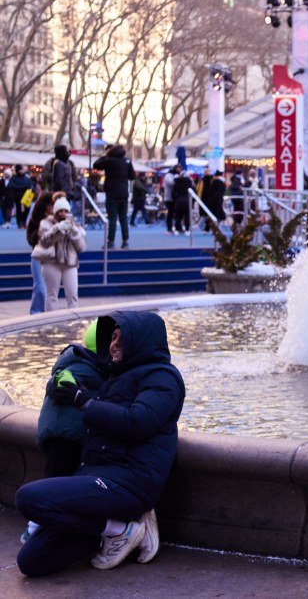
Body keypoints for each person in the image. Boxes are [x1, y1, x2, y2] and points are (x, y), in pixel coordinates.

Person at [15, 311, 186, 576]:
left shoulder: (163, 377)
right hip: (97, 476)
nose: (113, 344)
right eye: (112, 338)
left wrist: (83, 400)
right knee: (31, 561)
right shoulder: (114, 377)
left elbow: (137, 422)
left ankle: (124, 530)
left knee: (28, 498)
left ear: (140, 340)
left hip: (128, 483)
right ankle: (109, 531)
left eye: (120, 338)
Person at [22, 320, 104, 543]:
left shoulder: (80, 360)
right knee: (55, 481)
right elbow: (63, 380)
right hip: (66, 436)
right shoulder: (84, 367)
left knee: (58, 478)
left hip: (63, 432)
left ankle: (40, 523)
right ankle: (35, 525)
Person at [36, 194, 87, 311]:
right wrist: (58, 229)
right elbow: (44, 242)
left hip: (70, 263)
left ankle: (74, 323)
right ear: (55, 211)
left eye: (66, 211)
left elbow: (81, 248)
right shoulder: (46, 223)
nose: (63, 213)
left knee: (73, 296)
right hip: (51, 262)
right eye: (60, 211)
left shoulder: (73, 223)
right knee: (51, 296)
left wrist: (75, 233)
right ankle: (50, 325)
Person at [93, 143, 136, 249]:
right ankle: (125, 241)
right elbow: (132, 176)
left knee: (112, 218)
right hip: (124, 193)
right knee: (123, 218)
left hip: (112, 193)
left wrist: (105, 155)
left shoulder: (109, 160)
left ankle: (110, 241)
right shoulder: (127, 161)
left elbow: (96, 165)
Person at [25, 191, 55, 314]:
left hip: (53, 257)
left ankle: (47, 315)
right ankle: (35, 313)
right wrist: (37, 235)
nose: (52, 207)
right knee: (40, 288)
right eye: (50, 204)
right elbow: (29, 239)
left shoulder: (58, 218)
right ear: (45, 205)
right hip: (38, 256)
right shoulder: (35, 219)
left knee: (51, 291)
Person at [7, 164, 34, 229]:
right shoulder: (13, 178)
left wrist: (31, 187)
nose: (23, 170)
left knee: (27, 208)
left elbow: (31, 184)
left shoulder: (26, 178)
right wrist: (23, 187)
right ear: (19, 170)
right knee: (18, 210)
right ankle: (19, 223)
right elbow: (11, 186)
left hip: (26, 196)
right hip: (18, 196)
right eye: (21, 169)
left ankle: (24, 221)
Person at [162, 166, 179, 234]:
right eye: (178, 168)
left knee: (176, 213)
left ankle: (176, 227)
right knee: (170, 213)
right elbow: (171, 183)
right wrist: (177, 178)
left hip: (175, 198)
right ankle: (169, 228)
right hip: (169, 198)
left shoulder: (175, 175)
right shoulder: (168, 176)